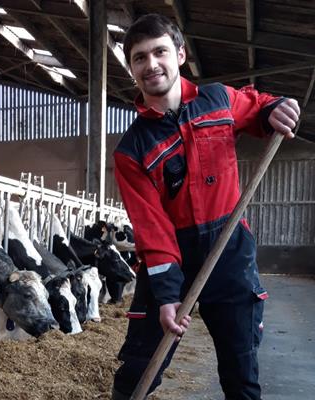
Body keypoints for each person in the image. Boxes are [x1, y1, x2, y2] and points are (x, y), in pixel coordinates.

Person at [111, 14, 300, 400]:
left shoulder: (217, 99)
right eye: (140, 58)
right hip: (172, 257)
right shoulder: (131, 149)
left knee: (240, 371)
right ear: (131, 69)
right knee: (139, 370)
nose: (151, 65)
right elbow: (152, 227)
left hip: (229, 251)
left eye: (159, 52)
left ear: (179, 54)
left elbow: (256, 106)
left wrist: (274, 109)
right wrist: (166, 294)